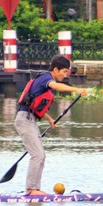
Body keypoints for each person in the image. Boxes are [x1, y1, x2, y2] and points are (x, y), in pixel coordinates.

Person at [15, 54, 88, 195]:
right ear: (56, 69)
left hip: (30, 120)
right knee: (37, 155)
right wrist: (76, 90)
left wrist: (49, 119)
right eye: (64, 71)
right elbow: (56, 86)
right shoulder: (46, 79)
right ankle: (30, 190)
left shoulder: (44, 81)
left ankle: (35, 189)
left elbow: (34, 107)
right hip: (24, 120)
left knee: (41, 155)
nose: (65, 75)